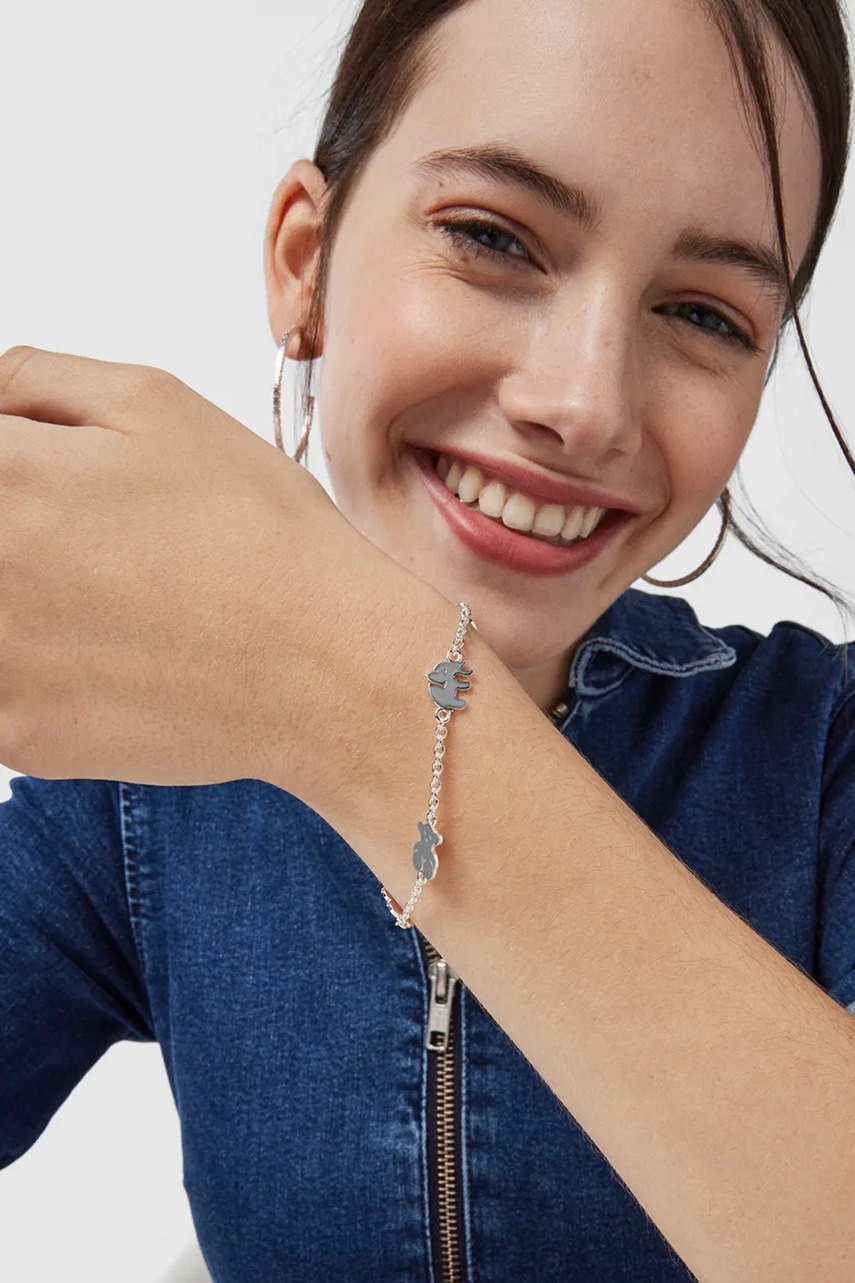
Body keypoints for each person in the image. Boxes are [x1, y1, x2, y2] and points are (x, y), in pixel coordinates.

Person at [2, 0, 854, 1279]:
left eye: (706, 315)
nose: (584, 402)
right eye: (493, 237)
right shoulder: (139, 790)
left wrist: (365, 696)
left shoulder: (825, 750)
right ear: (305, 261)